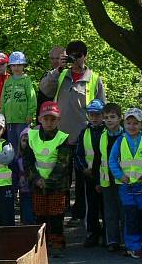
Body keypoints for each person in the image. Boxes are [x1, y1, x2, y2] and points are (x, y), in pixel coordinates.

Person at [39, 40, 106, 221]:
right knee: (61, 176)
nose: (75, 59)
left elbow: (102, 108)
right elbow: (44, 88)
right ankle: (61, 211)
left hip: (83, 135)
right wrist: (58, 69)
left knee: (84, 178)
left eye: (79, 55)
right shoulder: (61, 75)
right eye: (72, 55)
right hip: (60, 135)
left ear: (85, 56)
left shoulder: (94, 78)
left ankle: (81, 213)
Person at [23, 101, 73, 255]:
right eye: (46, 119)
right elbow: (28, 162)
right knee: (39, 214)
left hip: (58, 185)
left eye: (53, 119)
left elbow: (62, 164)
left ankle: (57, 242)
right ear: (39, 119)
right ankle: (42, 243)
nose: (49, 122)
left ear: (58, 120)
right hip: (37, 185)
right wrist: (37, 179)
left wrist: (48, 182)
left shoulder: (63, 138)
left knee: (57, 214)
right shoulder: (31, 136)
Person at [108, 108, 142, 259]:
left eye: (135, 123)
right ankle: (133, 247)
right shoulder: (120, 140)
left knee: (139, 215)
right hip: (126, 186)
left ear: (141, 124)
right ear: (124, 123)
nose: (132, 126)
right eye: (129, 123)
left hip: (141, 186)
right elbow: (112, 160)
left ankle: (135, 245)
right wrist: (119, 175)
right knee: (130, 215)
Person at [75, 99, 106, 247]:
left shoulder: (108, 131)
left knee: (106, 206)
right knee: (91, 206)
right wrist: (83, 168)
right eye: (91, 114)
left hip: (107, 175)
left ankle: (108, 234)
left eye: (97, 114)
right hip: (90, 175)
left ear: (103, 115)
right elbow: (78, 153)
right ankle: (92, 233)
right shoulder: (84, 133)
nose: (94, 117)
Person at [99, 103, 124, 252]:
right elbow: (98, 159)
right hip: (106, 180)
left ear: (120, 118)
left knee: (124, 211)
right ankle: (112, 240)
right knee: (110, 213)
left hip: (123, 180)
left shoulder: (126, 136)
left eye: (113, 117)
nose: (109, 120)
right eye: (106, 117)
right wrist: (98, 180)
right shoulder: (103, 136)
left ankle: (127, 240)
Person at [1, 51, 37, 152]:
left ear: (23, 66)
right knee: (12, 146)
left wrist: (30, 114)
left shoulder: (26, 80)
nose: (16, 68)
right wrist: (2, 115)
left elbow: (32, 98)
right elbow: (3, 99)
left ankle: (24, 165)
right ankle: (14, 167)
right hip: (10, 120)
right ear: (10, 67)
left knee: (23, 145)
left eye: (19, 65)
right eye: (14, 65)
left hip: (23, 120)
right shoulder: (8, 81)